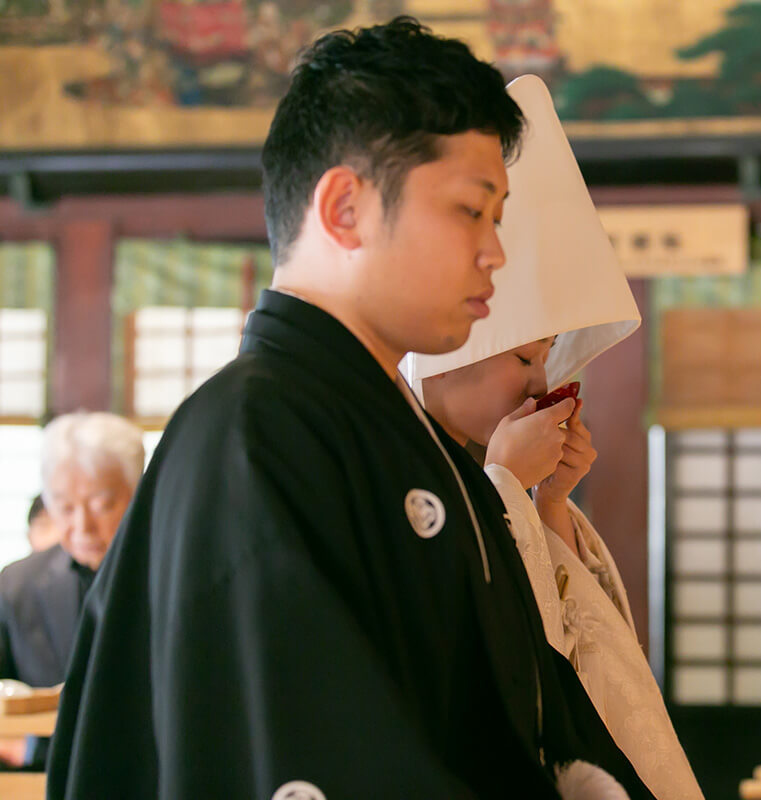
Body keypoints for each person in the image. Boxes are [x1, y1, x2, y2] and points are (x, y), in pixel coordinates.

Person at [47, 18, 650, 800]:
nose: (494, 251)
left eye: (497, 218)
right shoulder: (253, 432)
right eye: (472, 210)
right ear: (344, 210)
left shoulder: (406, 438)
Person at [406, 76, 704, 800]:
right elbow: (478, 655)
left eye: (544, 359)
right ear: (450, 348)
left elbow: (589, 662)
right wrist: (507, 485)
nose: (542, 385)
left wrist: (548, 507)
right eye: (525, 357)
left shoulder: (480, 464)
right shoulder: (403, 462)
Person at [0, 412, 144, 769]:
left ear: (139, 492)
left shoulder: (173, 578)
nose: (82, 525)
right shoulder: (17, 585)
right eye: (64, 507)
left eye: (101, 505)